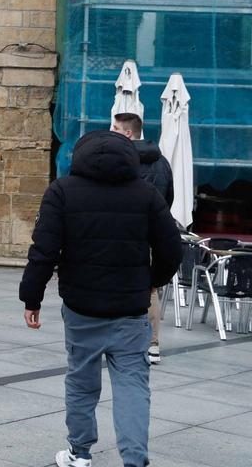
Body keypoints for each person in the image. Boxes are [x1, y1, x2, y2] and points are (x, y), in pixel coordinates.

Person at [20, 129, 182, 467]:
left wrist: (31, 298)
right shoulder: (146, 194)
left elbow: (43, 251)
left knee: (81, 382)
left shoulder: (62, 191)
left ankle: (79, 453)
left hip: (82, 308)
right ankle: (135, 460)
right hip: (131, 309)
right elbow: (172, 249)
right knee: (133, 387)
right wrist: (153, 281)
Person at [111, 112, 174, 364]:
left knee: (115, 284)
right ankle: (153, 344)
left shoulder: (119, 160)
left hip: (120, 232)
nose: (111, 131)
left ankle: (119, 339)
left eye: (115, 128)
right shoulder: (163, 162)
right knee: (150, 289)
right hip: (150, 234)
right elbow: (169, 198)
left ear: (128, 133)